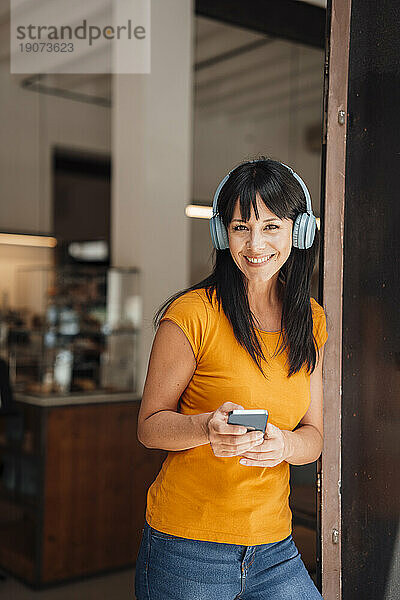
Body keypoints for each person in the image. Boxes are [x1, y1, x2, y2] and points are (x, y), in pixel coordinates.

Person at [135, 157, 328, 599]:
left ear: (299, 232)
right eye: (241, 227)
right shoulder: (191, 315)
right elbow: (149, 427)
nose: (255, 243)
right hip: (186, 548)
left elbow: (314, 436)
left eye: (271, 226)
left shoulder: (312, 320)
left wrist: (285, 444)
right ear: (223, 234)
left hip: (275, 548)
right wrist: (205, 427)